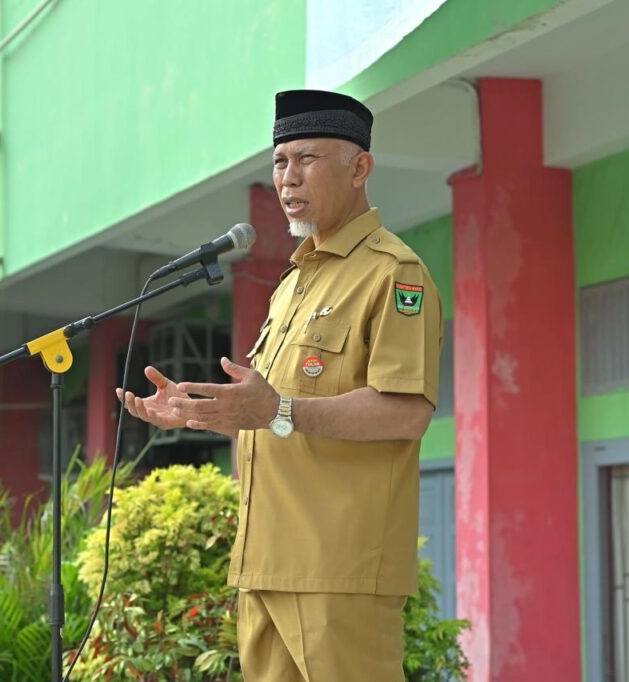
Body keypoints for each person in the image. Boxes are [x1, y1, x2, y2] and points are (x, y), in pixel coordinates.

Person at [117, 89, 443, 681]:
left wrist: (279, 409)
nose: (287, 178)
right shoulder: (294, 282)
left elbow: (405, 412)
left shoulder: (393, 273)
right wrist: (200, 411)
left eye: (307, 159)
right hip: (264, 563)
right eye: (279, 161)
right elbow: (265, 409)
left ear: (359, 167)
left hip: (338, 570)